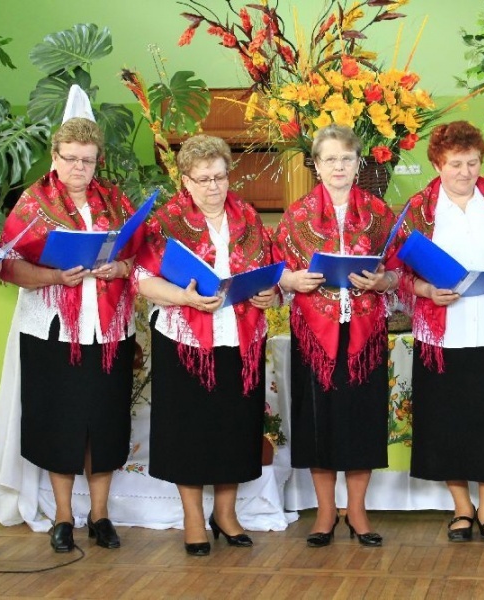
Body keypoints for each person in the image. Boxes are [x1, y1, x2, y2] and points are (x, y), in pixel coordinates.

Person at [0, 117, 143, 553]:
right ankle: (64, 515)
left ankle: (100, 515)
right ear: (54, 157)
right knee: (58, 423)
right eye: (71, 159)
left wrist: (120, 267)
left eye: (88, 160)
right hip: (51, 328)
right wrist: (54, 275)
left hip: (110, 328)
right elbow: (6, 265)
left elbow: (141, 258)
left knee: (106, 421)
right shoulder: (32, 203)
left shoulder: (115, 202)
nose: (80, 167)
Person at [136, 134, 275, 556]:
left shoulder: (248, 216)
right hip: (184, 339)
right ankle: (194, 518)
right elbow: (142, 280)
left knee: (235, 427)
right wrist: (184, 297)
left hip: (240, 336)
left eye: (220, 177)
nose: (214, 187)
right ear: (185, 181)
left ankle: (227, 514)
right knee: (189, 431)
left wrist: (270, 292)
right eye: (203, 179)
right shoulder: (166, 222)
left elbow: (268, 271)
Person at [273, 125, 400, 548]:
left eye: (347, 159)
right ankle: (326, 512)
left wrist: (383, 282)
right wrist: (292, 279)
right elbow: (277, 272)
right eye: (330, 159)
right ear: (316, 165)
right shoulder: (295, 215)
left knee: (361, 420)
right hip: (314, 332)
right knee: (318, 421)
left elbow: (398, 270)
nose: (339, 167)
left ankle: (358, 512)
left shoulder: (380, 214)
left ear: (359, 163)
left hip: (365, 331)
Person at [402, 121, 484, 546]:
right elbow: (395, 273)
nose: (465, 172)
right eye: (455, 164)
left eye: (473, 163)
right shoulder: (420, 209)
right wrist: (423, 289)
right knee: (446, 422)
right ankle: (461, 507)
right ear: (437, 163)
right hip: (441, 335)